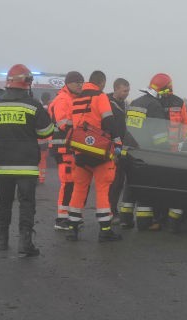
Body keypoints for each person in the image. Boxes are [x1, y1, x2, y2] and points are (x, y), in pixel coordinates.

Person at [0, 64, 54, 257]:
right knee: (27, 204)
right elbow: (46, 131)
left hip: (3, 164)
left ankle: (2, 241)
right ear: (27, 83)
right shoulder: (33, 106)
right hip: (27, 165)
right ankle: (25, 243)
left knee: (4, 203)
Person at [119, 73, 187, 232]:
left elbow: (128, 128)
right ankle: (144, 223)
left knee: (130, 185)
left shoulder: (136, 102)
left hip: (128, 152)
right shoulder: (154, 106)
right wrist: (164, 150)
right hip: (146, 153)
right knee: (145, 186)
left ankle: (125, 219)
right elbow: (159, 134)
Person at [65, 70, 123, 242]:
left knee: (79, 189)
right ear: (102, 82)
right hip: (99, 152)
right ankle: (105, 230)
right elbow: (108, 122)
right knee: (103, 189)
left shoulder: (76, 99)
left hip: (80, 151)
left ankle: (72, 228)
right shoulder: (100, 96)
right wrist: (118, 142)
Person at [48, 71, 84, 230]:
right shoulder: (63, 99)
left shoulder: (70, 98)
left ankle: (70, 216)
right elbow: (64, 124)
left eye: (81, 82)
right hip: (63, 148)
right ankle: (62, 219)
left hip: (68, 147)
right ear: (68, 83)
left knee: (72, 182)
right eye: (77, 82)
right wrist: (83, 124)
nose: (80, 85)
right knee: (68, 182)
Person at [107, 78, 130, 220]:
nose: (127, 93)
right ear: (116, 89)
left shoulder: (124, 105)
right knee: (113, 182)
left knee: (119, 181)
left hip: (121, 147)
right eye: (125, 90)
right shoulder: (108, 104)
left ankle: (113, 209)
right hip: (111, 148)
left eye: (128, 91)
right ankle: (110, 211)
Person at [36, 92, 52, 184]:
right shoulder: (52, 107)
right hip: (46, 139)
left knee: (37, 160)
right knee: (43, 160)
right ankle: (42, 178)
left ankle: (37, 177)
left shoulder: (40, 110)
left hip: (37, 139)